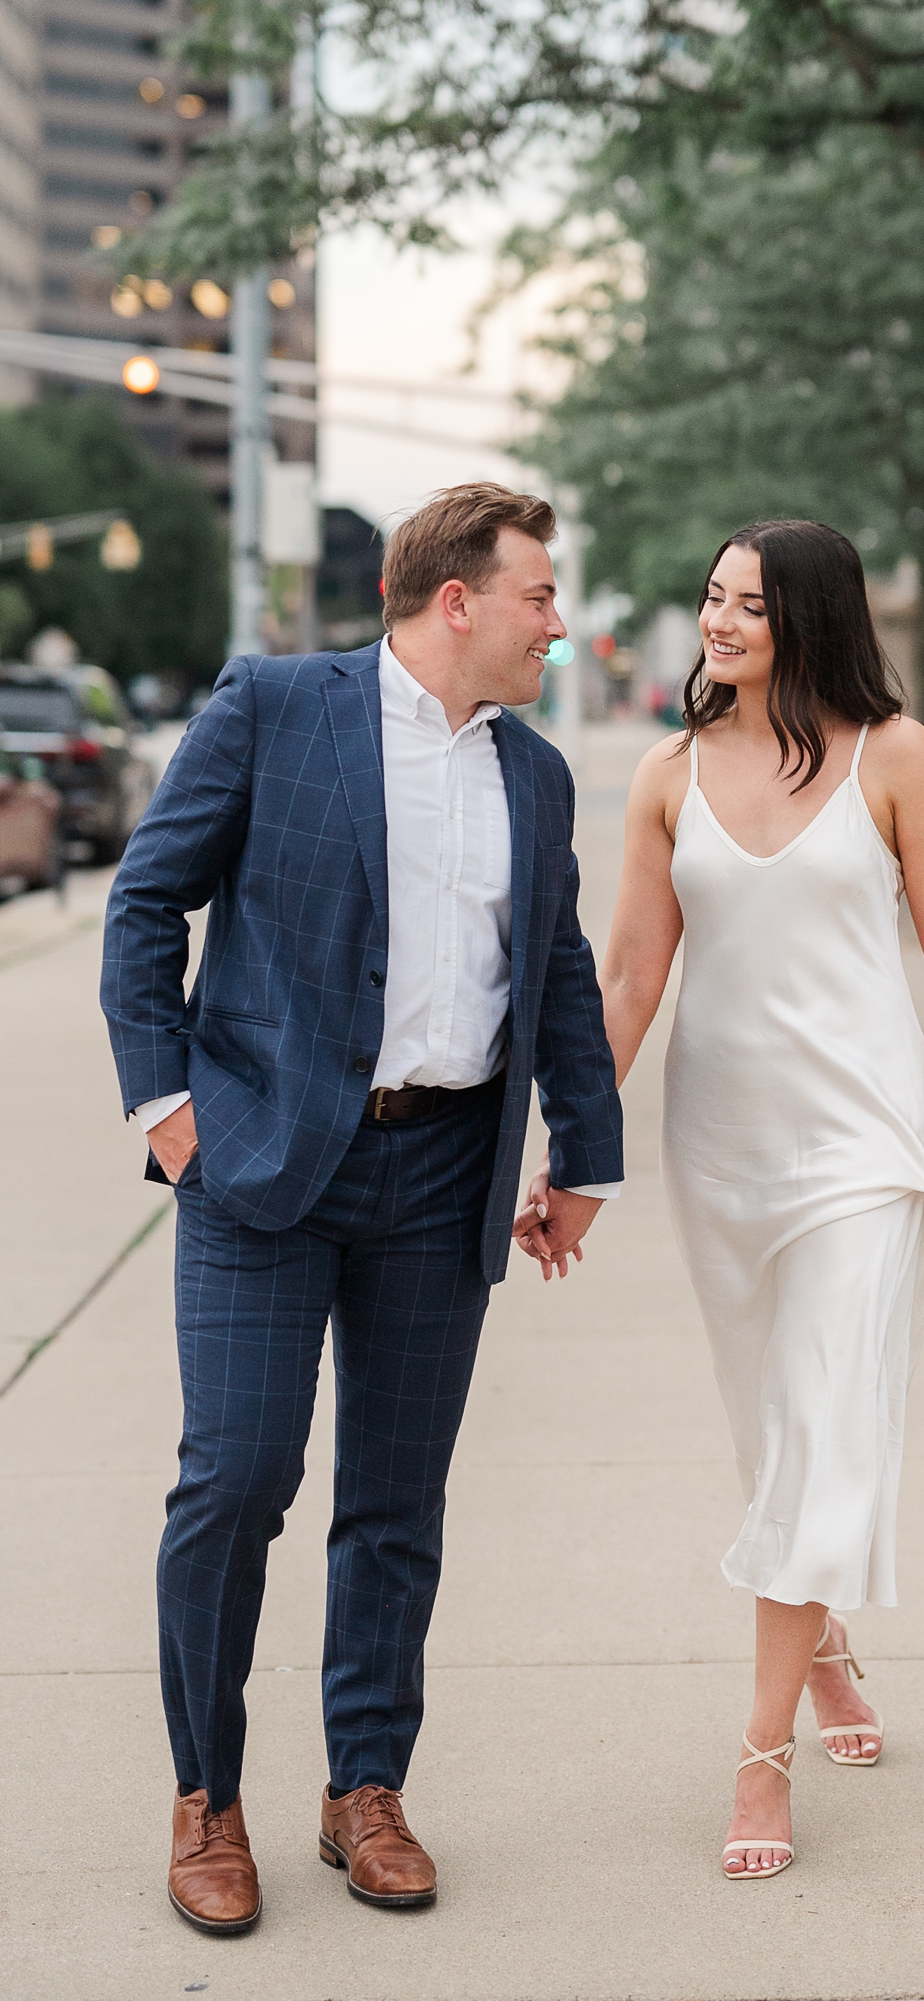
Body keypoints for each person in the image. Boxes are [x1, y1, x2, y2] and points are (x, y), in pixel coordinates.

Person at [101, 483, 622, 1934]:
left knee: (395, 1505)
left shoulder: (540, 774)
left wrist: (583, 1150)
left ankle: (365, 1786)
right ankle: (208, 1796)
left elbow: (557, 970)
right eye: (538, 595)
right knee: (237, 1481)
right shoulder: (276, 707)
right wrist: (169, 1107)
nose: (556, 624)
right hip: (261, 1164)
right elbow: (146, 901)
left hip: (442, 1171)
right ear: (457, 599)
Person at [514, 519, 924, 1879]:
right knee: (768, 1426)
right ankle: (825, 1637)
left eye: (747, 607)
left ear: (812, 621)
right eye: (711, 598)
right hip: (722, 1148)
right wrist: (572, 1142)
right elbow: (629, 977)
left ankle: (761, 1750)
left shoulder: (896, 760)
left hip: (867, 1141)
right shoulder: (666, 775)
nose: (716, 624)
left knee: (822, 1421)